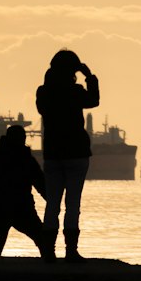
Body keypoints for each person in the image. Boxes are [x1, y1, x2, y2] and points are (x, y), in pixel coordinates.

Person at [35, 50, 100, 261]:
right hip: (76, 153)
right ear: (74, 70)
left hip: (53, 154)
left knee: (52, 203)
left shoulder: (43, 93)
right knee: (73, 203)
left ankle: (48, 251)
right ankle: (71, 251)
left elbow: (43, 108)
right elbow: (94, 100)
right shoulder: (76, 91)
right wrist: (89, 75)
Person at [0, 124, 48, 257]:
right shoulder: (26, 159)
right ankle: (50, 265)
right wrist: (52, 199)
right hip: (22, 207)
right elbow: (40, 182)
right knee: (43, 240)